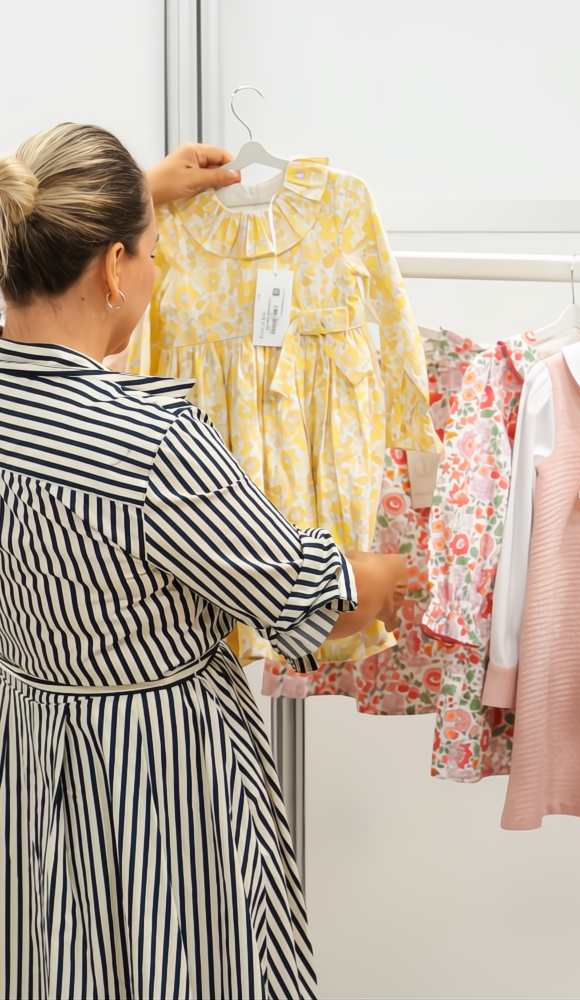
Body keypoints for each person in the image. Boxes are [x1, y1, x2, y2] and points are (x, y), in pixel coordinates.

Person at [0, 123, 405, 1000]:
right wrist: (404, 571)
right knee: (177, 959)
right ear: (112, 268)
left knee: (57, 953)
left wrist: (144, 194)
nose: (157, 275)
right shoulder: (149, 443)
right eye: (150, 256)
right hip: (156, 775)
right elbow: (317, 600)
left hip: (32, 747)